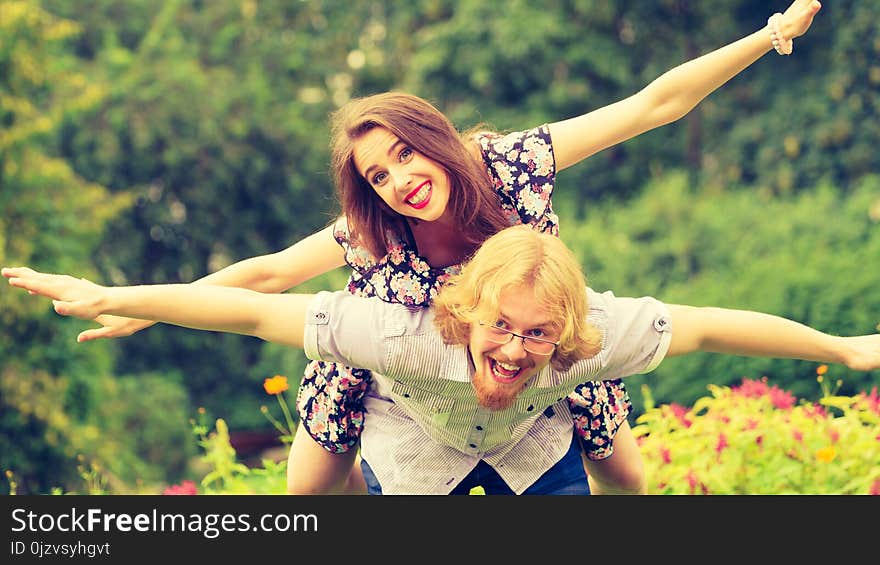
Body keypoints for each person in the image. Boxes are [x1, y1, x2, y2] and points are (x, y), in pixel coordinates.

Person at [49, 0, 824, 494]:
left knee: (622, 467)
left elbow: (653, 105)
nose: (398, 181)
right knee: (309, 489)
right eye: (378, 175)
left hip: (530, 341)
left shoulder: (512, 163)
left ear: (434, 140)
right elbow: (269, 276)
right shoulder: (378, 230)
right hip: (403, 362)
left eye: (405, 156)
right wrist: (141, 309)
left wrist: (767, 35)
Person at [4, 223, 878, 494]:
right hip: (417, 455)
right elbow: (245, 306)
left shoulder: (591, 337)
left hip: (536, 459)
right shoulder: (403, 334)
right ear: (467, 313)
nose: (516, 349)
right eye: (503, 328)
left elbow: (718, 328)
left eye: (538, 338)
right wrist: (116, 297)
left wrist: (844, 348)